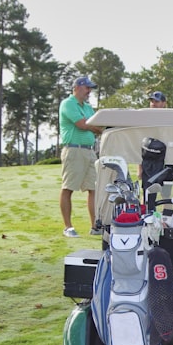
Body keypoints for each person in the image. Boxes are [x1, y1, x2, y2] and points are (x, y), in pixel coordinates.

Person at [59, 76, 103, 237]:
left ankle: (95, 226)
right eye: (87, 88)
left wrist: (97, 127)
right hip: (73, 150)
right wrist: (98, 129)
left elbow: (94, 122)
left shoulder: (87, 106)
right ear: (77, 87)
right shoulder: (68, 103)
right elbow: (83, 125)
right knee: (68, 188)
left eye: (90, 88)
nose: (89, 91)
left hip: (89, 151)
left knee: (93, 189)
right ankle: (68, 227)